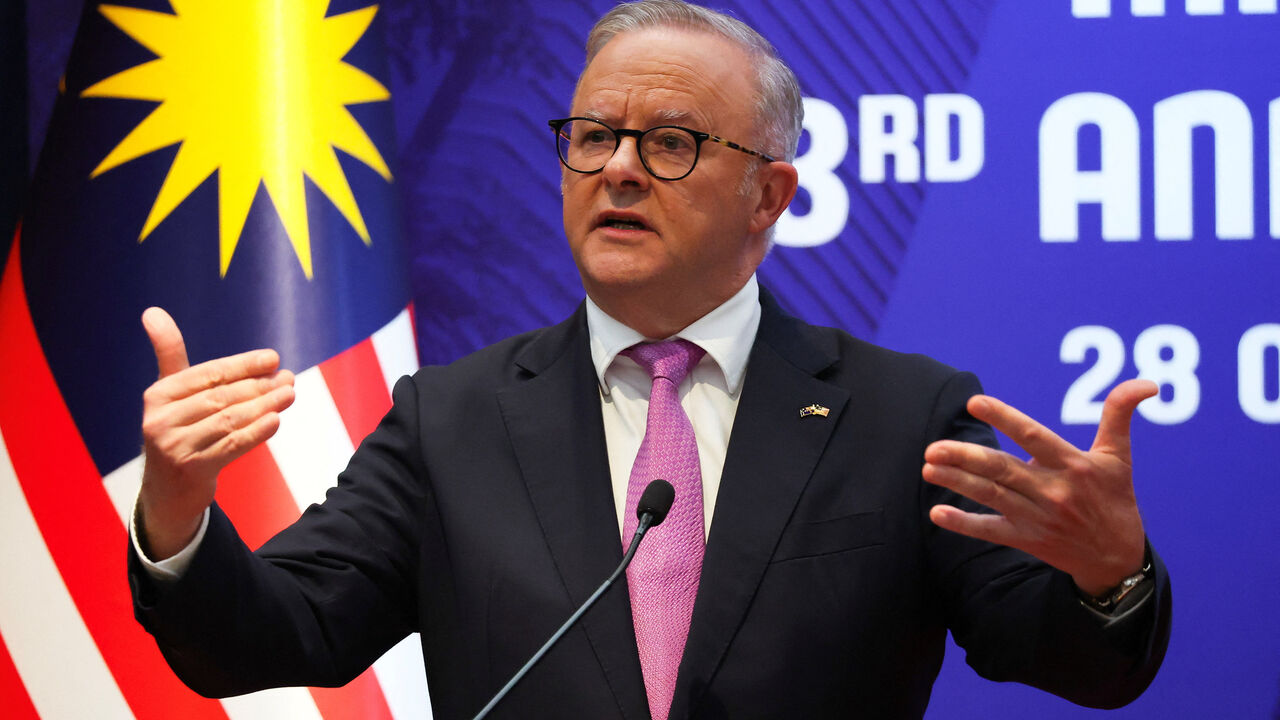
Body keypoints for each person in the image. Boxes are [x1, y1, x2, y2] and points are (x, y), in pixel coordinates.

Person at [128, 1, 1171, 718]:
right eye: (592, 136)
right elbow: (269, 637)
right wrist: (176, 517)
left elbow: (1058, 658)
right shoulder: (451, 419)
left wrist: (1105, 576)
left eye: (669, 143)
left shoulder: (903, 413)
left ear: (767, 196)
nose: (618, 167)